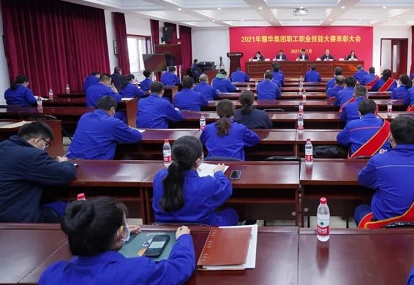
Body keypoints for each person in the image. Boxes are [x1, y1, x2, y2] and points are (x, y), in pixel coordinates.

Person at [39, 197, 195, 285]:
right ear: (120, 234)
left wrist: (117, 237)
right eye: (123, 226)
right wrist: (184, 239)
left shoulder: (51, 275)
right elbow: (180, 268)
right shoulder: (136, 270)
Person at [354, 115, 414, 226]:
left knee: (360, 209)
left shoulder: (378, 161)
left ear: (391, 136)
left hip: (388, 226)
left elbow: (363, 180)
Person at [0, 122, 76, 223]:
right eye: (46, 144)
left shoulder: (3, 146)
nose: (46, 148)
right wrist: (64, 162)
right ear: (38, 140)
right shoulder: (32, 155)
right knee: (70, 207)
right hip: (17, 219)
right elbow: (66, 174)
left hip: (6, 209)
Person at [153, 136, 238, 225]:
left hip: (164, 226)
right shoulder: (207, 184)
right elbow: (226, 189)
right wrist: (218, 172)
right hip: (203, 228)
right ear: (197, 161)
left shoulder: (160, 176)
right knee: (232, 213)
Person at [67, 96, 142, 159]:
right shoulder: (113, 122)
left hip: (72, 160)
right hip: (93, 165)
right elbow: (136, 137)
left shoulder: (84, 117)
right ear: (112, 109)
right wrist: (131, 129)